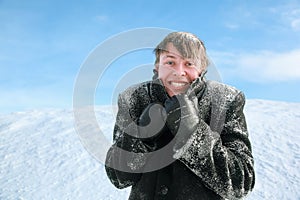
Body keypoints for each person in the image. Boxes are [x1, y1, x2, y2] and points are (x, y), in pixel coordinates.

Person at [105, 32, 255, 200]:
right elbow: (118, 178)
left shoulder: (225, 99)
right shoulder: (134, 98)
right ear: (157, 66)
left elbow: (241, 184)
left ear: (201, 69)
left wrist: (193, 134)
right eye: (170, 62)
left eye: (189, 63)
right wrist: (140, 136)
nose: (179, 71)